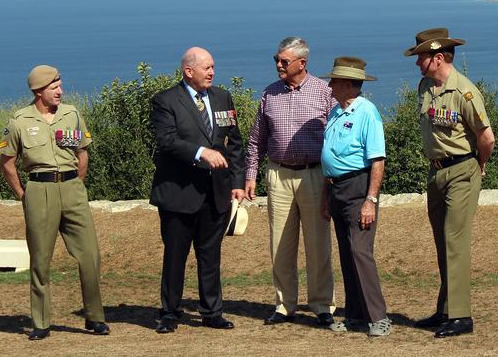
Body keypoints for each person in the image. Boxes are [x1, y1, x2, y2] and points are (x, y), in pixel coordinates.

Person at [0, 65, 109, 340]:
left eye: (60, 85)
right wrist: (23, 194)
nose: (60, 91)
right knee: (40, 260)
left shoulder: (72, 114)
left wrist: (77, 183)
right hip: (39, 190)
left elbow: (82, 152)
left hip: (72, 189)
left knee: (90, 256)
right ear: (38, 92)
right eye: (54, 87)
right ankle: (41, 322)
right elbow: (7, 162)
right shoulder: (19, 121)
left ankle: (94, 318)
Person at [404, 28, 495, 338]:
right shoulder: (425, 87)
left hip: (462, 171)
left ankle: (461, 316)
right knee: (443, 243)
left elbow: (486, 137)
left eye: (421, 58)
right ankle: (445, 310)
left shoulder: (465, 92)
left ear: (438, 57)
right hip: (437, 172)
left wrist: (478, 165)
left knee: (455, 242)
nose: (417, 64)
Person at [149, 47, 245, 333]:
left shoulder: (222, 97)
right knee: (175, 255)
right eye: (207, 68)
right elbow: (166, 141)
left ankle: (212, 311)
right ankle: (170, 311)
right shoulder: (165, 100)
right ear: (188, 71)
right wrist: (201, 152)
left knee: (210, 255)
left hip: (215, 192)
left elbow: (235, 143)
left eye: (213, 66)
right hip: (179, 193)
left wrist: (238, 182)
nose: (212, 72)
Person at [245, 37, 336, 326]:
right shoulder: (269, 94)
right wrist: (250, 175)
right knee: (280, 244)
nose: (278, 65)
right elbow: (256, 140)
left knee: (318, 243)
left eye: (284, 61)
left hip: (315, 175)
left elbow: (338, 133)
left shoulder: (324, 91)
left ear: (302, 63)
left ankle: (322, 305)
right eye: (277, 59)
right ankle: (284, 305)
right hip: (279, 175)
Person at [320, 56, 391, 338]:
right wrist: (327, 196)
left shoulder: (367, 113)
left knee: (361, 252)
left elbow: (377, 160)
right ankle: (355, 316)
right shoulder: (336, 112)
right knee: (348, 254)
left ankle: (379, 317)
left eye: (335, 80)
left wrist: (370, 200)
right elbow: (330, 158)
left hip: (358, 188)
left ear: (349, 84)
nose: (330, 84)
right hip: (337, 189)